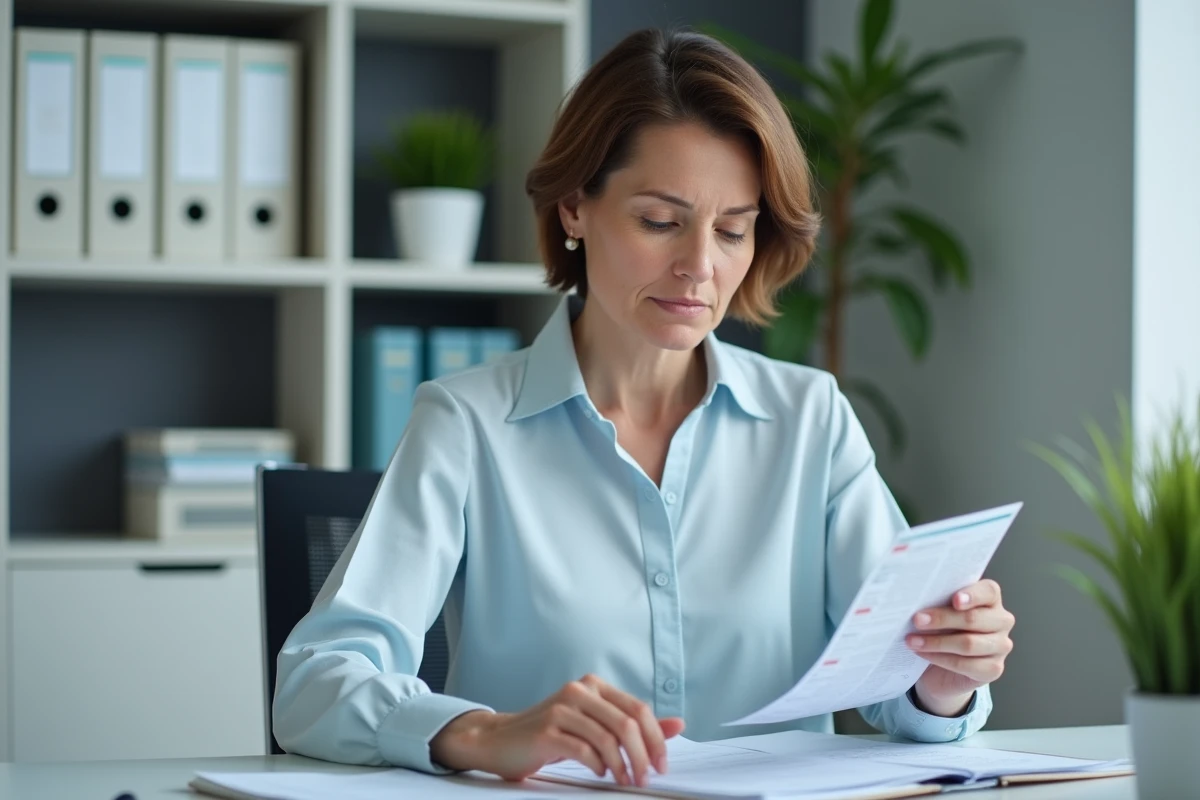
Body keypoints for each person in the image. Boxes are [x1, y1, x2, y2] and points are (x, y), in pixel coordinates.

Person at [273, 28, 1016, 788]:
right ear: (573, 208)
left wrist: (945, 674)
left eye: (733, 230)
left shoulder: (810, 419)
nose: (700, 266)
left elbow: (903, 681)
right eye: (660, 221)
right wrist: (486, 732)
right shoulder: (466, 424)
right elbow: (314, 686)